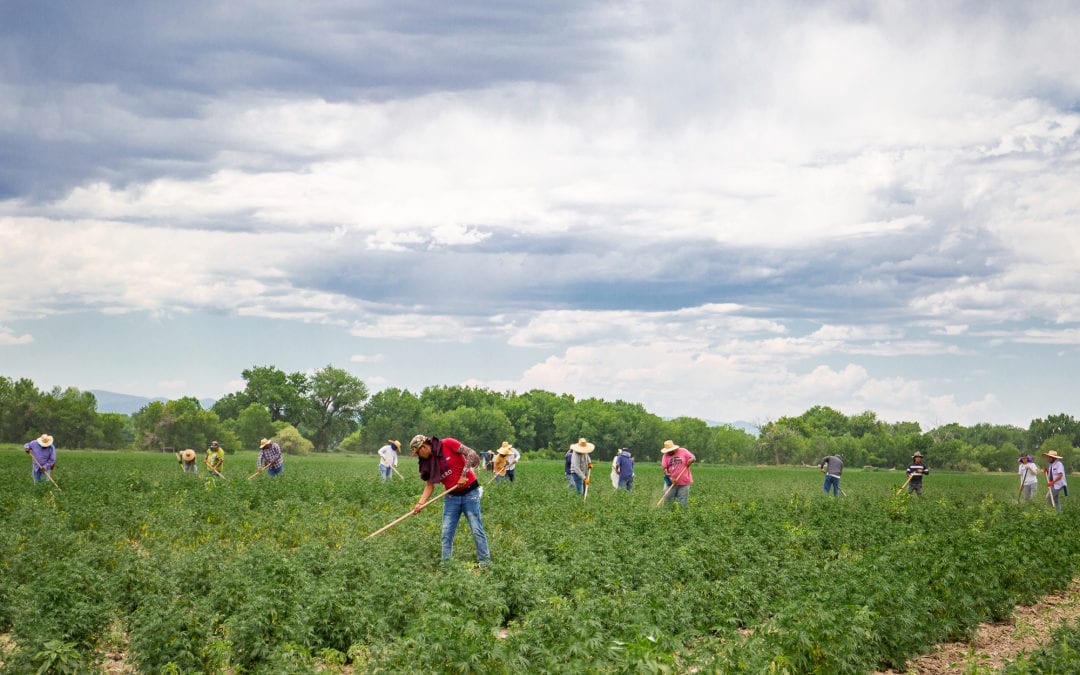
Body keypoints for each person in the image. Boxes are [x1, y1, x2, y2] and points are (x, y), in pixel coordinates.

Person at [410, 434, 491, 567]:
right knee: (446, 532)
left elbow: (471, 454)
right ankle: (446, 567)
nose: (418, 456)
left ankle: (485, 563)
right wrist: (420, 503)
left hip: (470, 493)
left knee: (476, 529)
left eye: (418, 453)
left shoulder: (448, 443)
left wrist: (463, 475)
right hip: (451, 496)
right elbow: (429, 485)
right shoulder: (427, 462)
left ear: (423, 447)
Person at [660, 440, 696, 506]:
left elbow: (693, 457)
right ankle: (666, 512)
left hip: (684, 483)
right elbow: (664, 469)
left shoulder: (683, 451)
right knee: (667, 502)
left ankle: (680, 512)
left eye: (670, 451)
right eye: (668, 451)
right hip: (671, 483)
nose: (669, 452)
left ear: (674, 448)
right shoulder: (665, 456)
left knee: (682, 503)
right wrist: (670, 477)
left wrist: (691, 460)